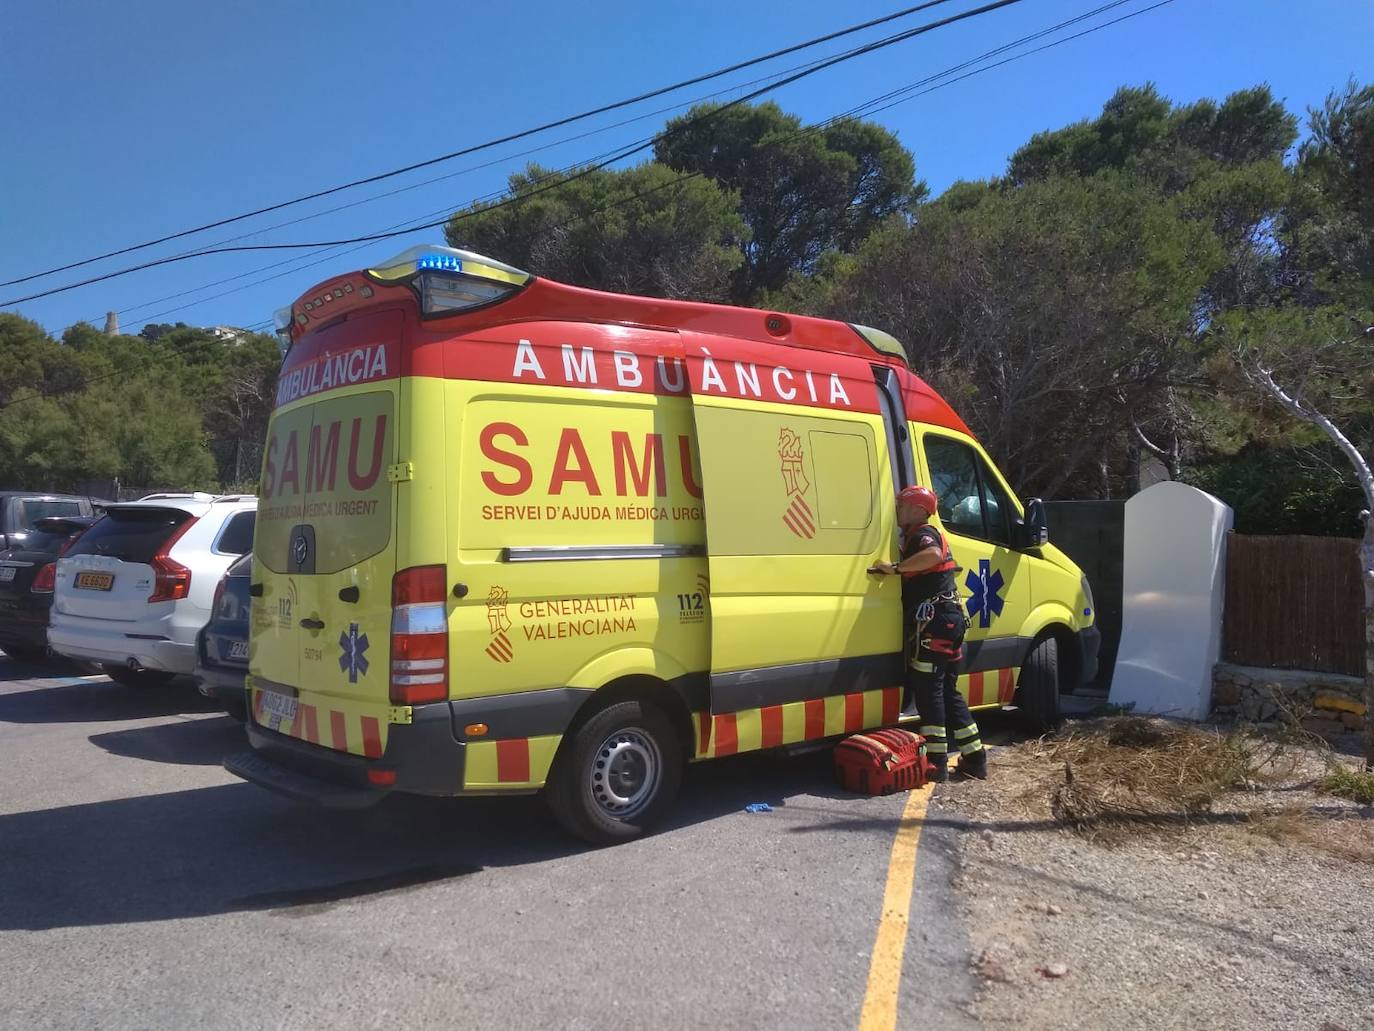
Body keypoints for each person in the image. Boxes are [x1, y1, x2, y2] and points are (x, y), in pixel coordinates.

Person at [872, 485, 988, 782]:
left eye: (901, 505)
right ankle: (975, 758)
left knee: (929, 690)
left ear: (918, 510)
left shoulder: (925, 534)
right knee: (948, 690)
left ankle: (937, 761)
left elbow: (933, 555)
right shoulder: (913, 535)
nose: (897, 509)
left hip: (936, 623)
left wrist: (895, 568)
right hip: (947, 621)